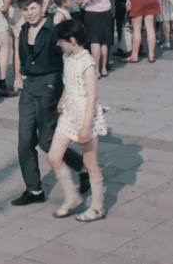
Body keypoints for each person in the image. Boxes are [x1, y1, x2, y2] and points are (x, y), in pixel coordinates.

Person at [10, 0, 89, 207]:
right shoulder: (23, 29)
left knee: (46, 141)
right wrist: (17, 77)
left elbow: (71, 61)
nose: (29, 14)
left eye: (33, 8)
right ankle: (34, 189)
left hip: (50, 86)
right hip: (29, 89)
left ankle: (82, 166)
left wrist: (65, 95)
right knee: (24, 142)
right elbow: (20, 55)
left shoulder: (54, 31)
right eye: (25, 10)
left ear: (42, 7)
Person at [49, 20, 108, 221]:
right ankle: (72, 197)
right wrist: (62, 99)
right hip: (68, 113)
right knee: (54, 156)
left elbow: (92, 96)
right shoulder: (68, 56)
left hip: (85, 114)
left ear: (72, 41)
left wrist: (85, 127)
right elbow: (68, 82)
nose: (59, 45)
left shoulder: (87, 62)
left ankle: (98, 206)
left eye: (61, 41)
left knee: (90, 163)